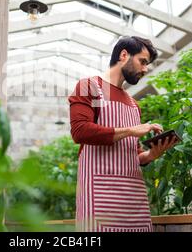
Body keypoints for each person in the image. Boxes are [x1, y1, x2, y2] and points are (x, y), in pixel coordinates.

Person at [68, 36, 179, 232]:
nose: (145, 69)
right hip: (99, 195)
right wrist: (131, 130)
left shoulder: (133, 104)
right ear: (124, 55)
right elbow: (80, 131)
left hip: (133, 198)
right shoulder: (90, 86)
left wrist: (151, 155)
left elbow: (134, 154)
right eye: (142, 61)